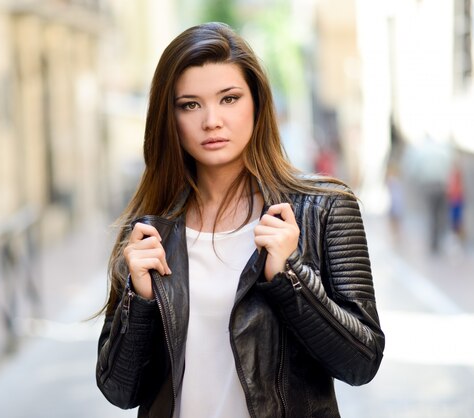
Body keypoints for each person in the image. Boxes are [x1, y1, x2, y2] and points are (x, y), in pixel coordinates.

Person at [96, 22, 384, 418]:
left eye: (229, 99)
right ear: (170, 118)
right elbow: (119, 390)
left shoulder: (324, 208)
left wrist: (290, 275)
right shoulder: (151, 232)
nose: (211, 120)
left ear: (257, 103)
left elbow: (361, 362)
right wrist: (141, 300)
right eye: (190, 104)